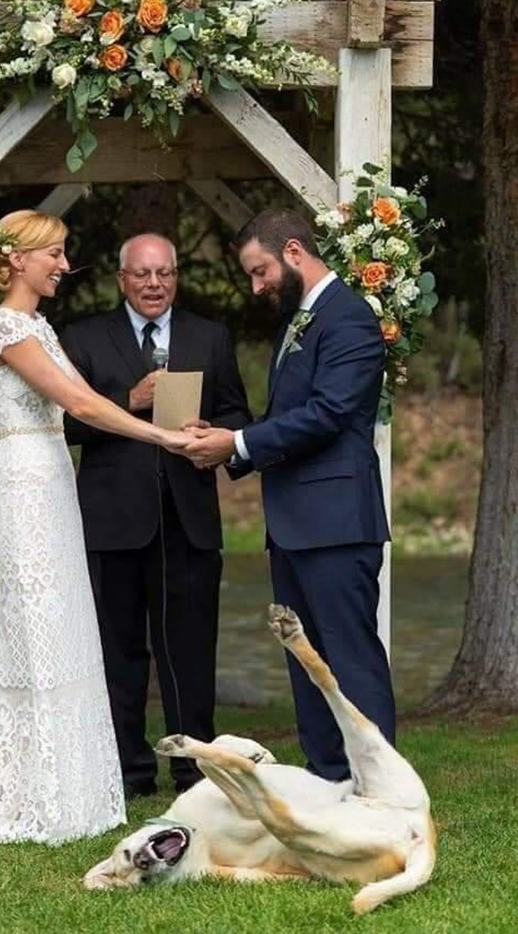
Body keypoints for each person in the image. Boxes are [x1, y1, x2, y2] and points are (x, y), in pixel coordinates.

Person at [0, 211, 188, 845]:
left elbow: (93, 398)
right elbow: (81, 405)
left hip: (56, 477)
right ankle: (37, 790)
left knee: (68, 621)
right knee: (37, 622)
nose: (62, 264)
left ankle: (76, 786)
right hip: (25, 480)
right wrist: (163, 434)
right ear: (19, 259)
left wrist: (159, 413)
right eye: (53, 254)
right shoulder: (1, 325)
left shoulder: (39, 326)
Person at [184, 209, 395, 782]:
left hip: (337, 523)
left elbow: (327, 415)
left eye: (260, 271)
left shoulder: (348, 318)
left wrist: (239, 441)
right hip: (296, 523)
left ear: (295, 251)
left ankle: (379, 789)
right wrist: (227, 441)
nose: (256, 287)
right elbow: (288, 418)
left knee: (349, 658)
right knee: (307, 661)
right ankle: (329, 778)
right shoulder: (298, 321)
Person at [60, 233, 251, 798]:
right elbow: (65, 426)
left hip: (188, 519)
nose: (153, 284)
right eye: (142, 274)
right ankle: (127, 773)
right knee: (118, 653)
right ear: (122, 279)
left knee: (190, 651)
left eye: (164, 274)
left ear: (176, 277)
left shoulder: (210, 337)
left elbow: (238, 413)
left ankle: (196, 773)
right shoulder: (85, 338)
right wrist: (128, 402)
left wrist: (211, 432)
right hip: (112, 523)